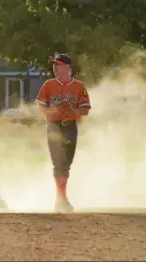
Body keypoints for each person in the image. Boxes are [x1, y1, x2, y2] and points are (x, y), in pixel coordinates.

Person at [36, 53, 91, 212]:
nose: (54, 67)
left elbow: (85, 109)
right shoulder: (48, 85)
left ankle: (62, 198)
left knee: (66, 163)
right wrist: (53, 111)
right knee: (58, 162)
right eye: (54, 64)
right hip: (54, 126)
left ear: (67, 67)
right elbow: (40, 107)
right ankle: (60, 199)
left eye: (58, 64)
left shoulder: (78, 86)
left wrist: (72, 110)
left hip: (70, 126)